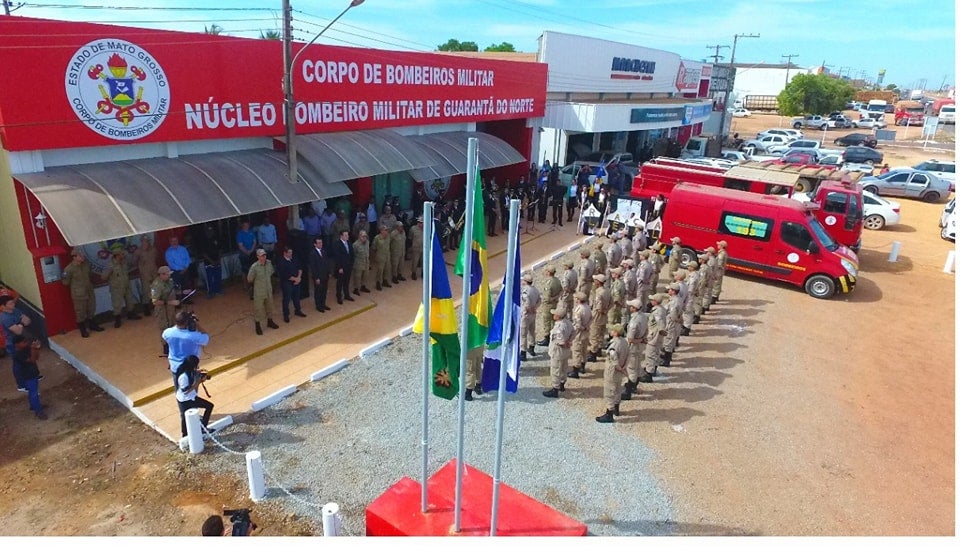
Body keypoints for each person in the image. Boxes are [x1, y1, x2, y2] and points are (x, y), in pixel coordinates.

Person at [62, 248, 103, 337]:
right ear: (74, 257)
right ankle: (82, 329)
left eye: (82, 255)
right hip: (79, 294)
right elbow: (65, 282)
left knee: (91, 308)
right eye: (80, 256)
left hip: (89, 291)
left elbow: (90, 275)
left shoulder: (86, 265)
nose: (83, 257)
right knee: (80, 312)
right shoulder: (69, 269)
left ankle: (92, 325)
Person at [162, 310, 210, 382]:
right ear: (187, 322)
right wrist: (196, 324)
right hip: (190, 367)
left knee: (178, 386)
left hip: (175, 366)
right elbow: (206, 338)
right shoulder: (194, 336)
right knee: (190, 387)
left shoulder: (167, 332)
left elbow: (170, 333)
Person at [174, 355, 214, 439]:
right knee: (209, 406)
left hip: (189, 397)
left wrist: (200, 375)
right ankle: (188, 434)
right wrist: (198, 382)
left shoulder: (189, 371)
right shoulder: (184, 377)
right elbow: (185, 392)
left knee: (185, 416)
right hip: (186, 399)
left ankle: (187, 434)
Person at [596, 323, 628, 423]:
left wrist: (618, 367)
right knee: (618, 389)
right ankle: (616, 408)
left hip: (613, 371)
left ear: (616, 333)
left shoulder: (614, 344)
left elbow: (614, 358)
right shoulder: (625, 342)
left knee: (609, 391)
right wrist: (624, 367)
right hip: (621, 369)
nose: (611, 331)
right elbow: (629, 355)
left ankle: (609, 414)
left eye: (612, 330)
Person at [101, 248, 141, 328]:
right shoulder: (110, 265)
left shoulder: (124, 262)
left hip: (126, 285)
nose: (123, 255)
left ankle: (131, 313)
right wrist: (110, 271)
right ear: (117, 255)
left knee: (130, 300)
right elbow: (103, 277)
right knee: (117, 304)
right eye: (122, 254)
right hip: (117, 288)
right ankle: (117, 319)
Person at [10, 334, 46, 419]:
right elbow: (32, 360)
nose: (26, 343)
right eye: (23, 342)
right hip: (27, 375)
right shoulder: (17, 354)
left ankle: (34, 406)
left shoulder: (26, 348)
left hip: (32, 373)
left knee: (32, 391)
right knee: (34, 393)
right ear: (17, 344)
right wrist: (33, 349)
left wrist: (36, 348)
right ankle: (38, 411)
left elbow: (36, 357)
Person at [1, 294, 32, 390]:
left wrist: (20, 324)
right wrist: (21, 323)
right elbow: (18, 331)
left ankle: (31, 376)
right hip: (13, 344)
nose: (13, 304)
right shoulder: (4, 317)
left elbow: (28, 321)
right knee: (18, 364)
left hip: (23, 340)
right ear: (3, 306)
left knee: (28, 359)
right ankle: (21, 385)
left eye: (13, 302)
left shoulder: (16, 310)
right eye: (10, 303)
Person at [542, 306, 573, 398]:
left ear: (558, 316)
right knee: (564, 368)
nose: (553, 315)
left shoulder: (558, 327)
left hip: (557, 351)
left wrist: (564, 343)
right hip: (565, 351)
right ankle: (562, 385)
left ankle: (555, 389)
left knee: (555, 370)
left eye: (555, 314)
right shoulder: (568, 323)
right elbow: (574, 332)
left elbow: (560, 341)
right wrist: (569, 341)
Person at [247, 249, 279, 335]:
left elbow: (271, 273)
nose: (264, 257)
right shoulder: (254, 267)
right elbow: (249, 279)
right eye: (261, 256)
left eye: (264, 255)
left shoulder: (269, 263)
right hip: (259, 292)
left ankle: (270, 321)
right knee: (258, 309)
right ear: (258, 257)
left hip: (268, 290)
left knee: (270, 307)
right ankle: (258, 326)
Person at [621, 298, 647, 400]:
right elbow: (647, 329)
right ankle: (634, 386)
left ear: (634, 308)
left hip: (633, 347)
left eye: (631, 306)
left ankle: (628, 392)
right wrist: (643, 339)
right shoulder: (644, 316)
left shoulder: (634, 321)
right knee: (637, 367)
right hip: (640, 346)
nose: (629, 308)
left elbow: (630, 339)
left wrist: (639, 340)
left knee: (631, 369)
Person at [638, 293, 667, 383]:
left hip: (654, 335)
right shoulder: (661, 309)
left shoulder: (657, 311)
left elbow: (659, 321)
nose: (650, 301)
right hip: (658, 336)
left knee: (650, 354)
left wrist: (661, 330)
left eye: (652, 300)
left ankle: (649, 374)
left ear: (655, 301)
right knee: (656, 352)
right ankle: (653, 368)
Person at [152, 266, 179, 355]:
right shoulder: (156, 285)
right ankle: (166, 347)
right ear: (162, 275)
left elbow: (171, 292)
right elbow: (155, 301)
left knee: (173, 325)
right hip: (162, 310)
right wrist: (170, 302)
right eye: (167, 274)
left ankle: (174, 345)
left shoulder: (169, 281)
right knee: (164, 328)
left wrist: (182, 292)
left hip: (170, 309)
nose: (169, 276)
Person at [277, 246, 306, 323]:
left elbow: (300, 268)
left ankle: (298, 310)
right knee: (286, 299)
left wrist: (299, 277)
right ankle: (286, 315)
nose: (291, 254)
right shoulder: (281, 262)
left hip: (296, 281)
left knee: (296, 297)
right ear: (285, 253)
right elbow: (284, 275)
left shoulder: (294, 259)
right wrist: (296, 279)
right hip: (287, 284)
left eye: (291, 252)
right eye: (289, 253)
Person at [566, 292, 592, 379]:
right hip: (586, 332)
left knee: (577, 351)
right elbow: (591, 318)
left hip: (579, 333)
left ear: (579, 300)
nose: (575, 299)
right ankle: (582, 367)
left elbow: (577, 323)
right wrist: (587, 326)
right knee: (584, 350)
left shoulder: (579, 310)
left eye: (576, 298)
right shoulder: (587, 307)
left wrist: (582, 327)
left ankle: (575, 370)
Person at [587, 274, 611, 362]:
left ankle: (593, 354)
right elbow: (611, 302)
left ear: (598, 282)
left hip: (597, 316)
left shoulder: (598, 293)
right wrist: (606, 310)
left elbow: (598, 306)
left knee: (593, 336)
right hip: (604, 316)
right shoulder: (607, 290)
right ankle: (599, 350)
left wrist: (601, 311)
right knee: (601, 334)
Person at [518, 273, 540, 361]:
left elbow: (526, 302)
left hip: (526, 314)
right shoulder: (535, 290)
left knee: (523, 334)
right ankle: (532, 347)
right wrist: (535, 308)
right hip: (533, 313)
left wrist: (529, 309)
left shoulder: (525, 290)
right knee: (532, 331)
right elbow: (539, 300)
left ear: (525, 281)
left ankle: (523, 353)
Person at [537, 265, 562, 346]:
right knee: (553, 320)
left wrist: (549, 299)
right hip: (555, 303)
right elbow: (561, 291)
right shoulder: (557, 280)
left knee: (547, 322)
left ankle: (547, 339)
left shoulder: (549, 283)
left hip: (548, 305)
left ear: (548, 272)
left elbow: (547, 298)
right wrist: (556, 297)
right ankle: (553, 336)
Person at [135, 236, 159, 316]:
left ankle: (157, 306)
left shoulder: (153, 249)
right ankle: (146, 308)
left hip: (154, 272)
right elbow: (134, 261)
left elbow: (156, 257)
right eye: (144, 241)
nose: (145, 243)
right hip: (144, 274)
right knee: (146, 291)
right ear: (141, 242)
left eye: (147, 241)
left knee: (156, 290)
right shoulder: (138, 251)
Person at [330, 229, 355, 305]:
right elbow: (337, 257)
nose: (347, 236)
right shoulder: (337, 244)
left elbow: (352, 254)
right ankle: (339, 296)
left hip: (348, 266)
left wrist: (351, 264)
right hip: (341, 267)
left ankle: (346, 295)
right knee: (340, 282)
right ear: (341, 236)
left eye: (348, 235)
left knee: (347, 281)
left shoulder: (349, 243)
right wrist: (339, 267)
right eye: (345, 235)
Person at [308, 237, 332, 312]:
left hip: (325, 275)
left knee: (324, 291)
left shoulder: (324, 251)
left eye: (321, 242)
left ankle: (323, 304)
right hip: (318, 276)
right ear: (315, 244)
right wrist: (316, 278)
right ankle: (318, 306)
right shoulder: (312, 254)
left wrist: (329, 272)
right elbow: (313, 267)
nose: (320, 244)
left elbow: (327, 263)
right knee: (318, 291)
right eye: (318, 243)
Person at [200, 224, 223, 297]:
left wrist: (219, 259)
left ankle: (218, 290)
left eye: (211, 230)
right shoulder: (203, 241)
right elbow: (203, 254)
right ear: (206, 232)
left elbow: (220, 250)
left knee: (218, 277)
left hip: (217, 261)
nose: (210, 232)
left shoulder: (216, 238)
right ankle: (211, 292)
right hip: (208, 263)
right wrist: (211, 262)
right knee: (209, 279)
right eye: (208, 231)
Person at [351, 230, 372, 296]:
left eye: (365, 236)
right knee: (357, 276)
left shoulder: (367, 242)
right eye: (363, 236)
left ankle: (363, 286)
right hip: (358, 263)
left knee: (365, 275)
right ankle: (356, 288)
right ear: (359, 236)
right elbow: (353, 255)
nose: (364, 237)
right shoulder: (355, 244)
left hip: (366, 262)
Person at [372, 225, 392, 290]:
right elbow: (373, 248)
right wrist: (374, 257)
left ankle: (385, 281)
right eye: (385, 230)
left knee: (387, 269)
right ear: (381, 231)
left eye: (387, 230)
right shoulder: (377, 238)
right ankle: (378, 283)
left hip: (387, 256)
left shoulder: (388, 236)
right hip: (380, 256)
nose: (387, 231)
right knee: (380, 270)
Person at [408, 217, 424, 281]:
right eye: (421, 223)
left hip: (424, 248)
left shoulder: (426, 228)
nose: (422, 224)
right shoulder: (413, 229)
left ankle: (423, 272)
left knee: (423, 261)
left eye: (423, 223)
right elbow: (410, 237)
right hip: (416, 248)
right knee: (415, 261)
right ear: (418, 223)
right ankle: (413, 273)